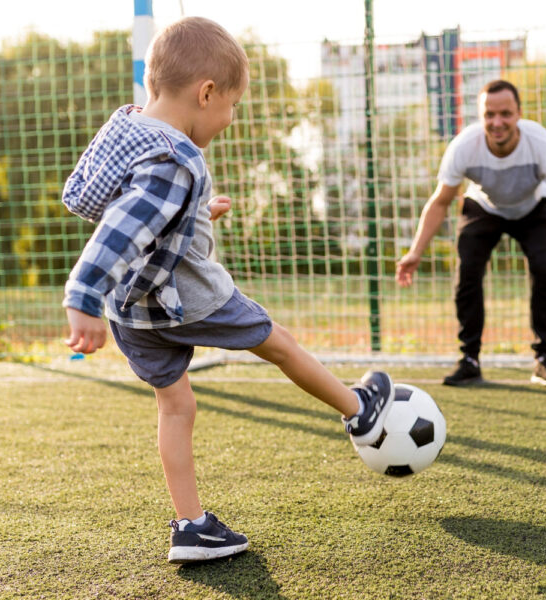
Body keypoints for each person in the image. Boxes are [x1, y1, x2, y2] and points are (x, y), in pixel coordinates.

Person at [61, 17, 394, 565]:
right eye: (231, 106)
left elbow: (97, 197)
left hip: (134, 313)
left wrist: (190, 211)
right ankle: (360, 409)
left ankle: (191, 527)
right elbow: (121, 227)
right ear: (206, 92)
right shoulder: (174, 158)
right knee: (278, 342)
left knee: (175, 406)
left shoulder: (124, 128)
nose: (230, 119)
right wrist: (81, 296)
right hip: (186, 296)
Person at [396, 80, 546, 387]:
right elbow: (440, 201)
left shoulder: (542, 144)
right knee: (467, 273)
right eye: (489, 114)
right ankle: (469, 359)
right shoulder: (464, 147)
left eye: (505, 114)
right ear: (480, 115)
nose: (497, 122)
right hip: (484, 206)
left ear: (519, 113)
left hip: (533, 206)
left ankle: (543, 358)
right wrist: (415, 251)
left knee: (542, 269)